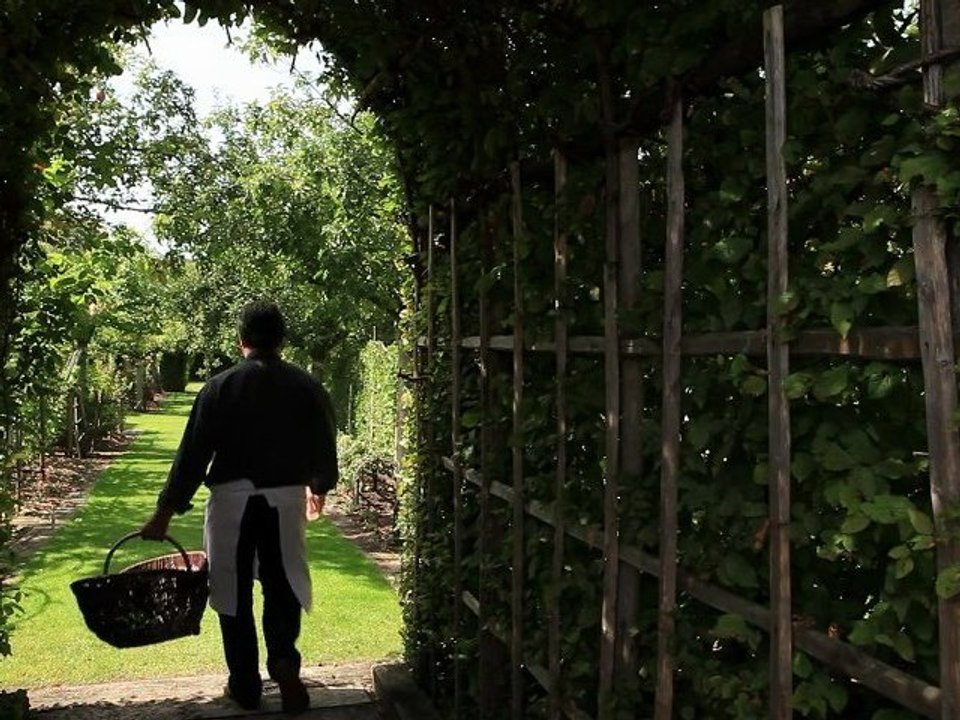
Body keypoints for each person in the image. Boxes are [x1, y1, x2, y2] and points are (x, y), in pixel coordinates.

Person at [141, 300, 338, 714]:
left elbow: (192, 454)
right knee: (283, 586)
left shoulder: (220, 386)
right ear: (282, 341)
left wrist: (164, 512)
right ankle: (283, 661)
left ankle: (245, 683)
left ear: (241, 340)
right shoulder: (307, 386)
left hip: (231, 504)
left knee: (231, 594)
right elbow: (324, 444)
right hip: (285, 501)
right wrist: (319, 485)